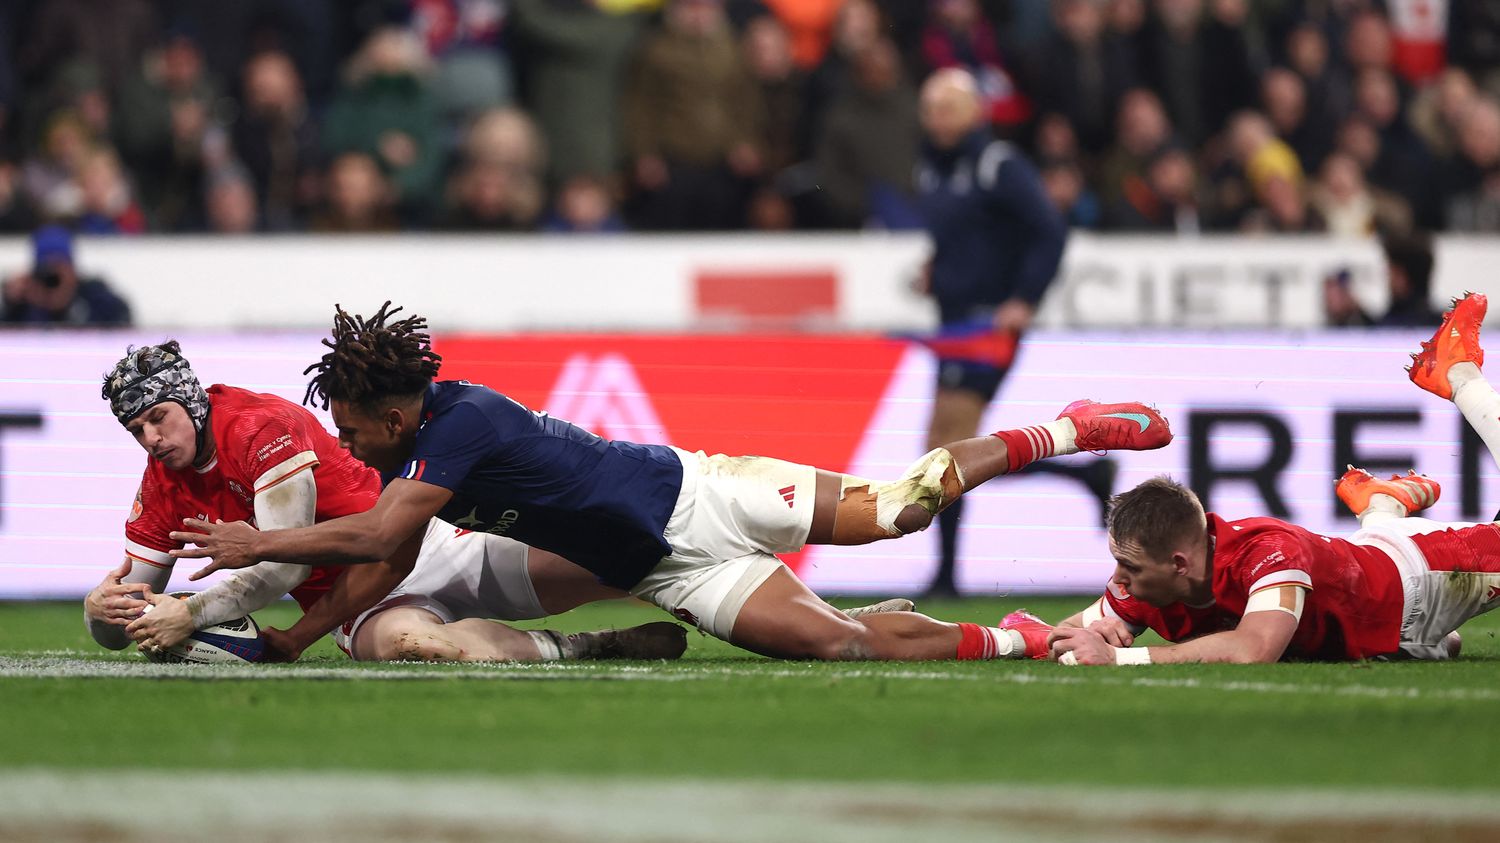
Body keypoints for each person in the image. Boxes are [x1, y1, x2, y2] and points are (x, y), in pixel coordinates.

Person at [169, 302, 1172, 663]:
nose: (352, 443)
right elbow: (386, 550)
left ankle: (1064, 428)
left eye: (355, 429)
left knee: (897, 509)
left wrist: (256, 547)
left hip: (704, 492)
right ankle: (1023, 640)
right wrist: (297, 639)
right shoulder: (430, 434)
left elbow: (373, 534)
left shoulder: (456, 428)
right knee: (834, 643)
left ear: (394, 417)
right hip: (668, 572)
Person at [87, 340, 688, 664]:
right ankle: (596, 646)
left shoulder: (258, 426)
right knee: (413, 649)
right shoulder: (160, 481)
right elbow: (130, 605)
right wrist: (101, 612)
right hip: (351, 605)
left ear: (189, 400)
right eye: (135, 430)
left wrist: (188, 614)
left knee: (625, 563)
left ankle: (719, 567)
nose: (152, 440)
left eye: (158, 419)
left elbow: (282, 565)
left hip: (425, 544)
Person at [1034, 292, 1500, 666]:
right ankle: (1381, 508)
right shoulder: (1147, 574)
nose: (1118, 580)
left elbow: (1254, 650)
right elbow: (1065, 636)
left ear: (1179, 564)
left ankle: (1459, 374)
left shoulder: (1268, 552)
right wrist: (1078, 636)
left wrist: (1120, 657)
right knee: (1447, 645)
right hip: (1380, 620)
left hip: (1417, 580)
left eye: (1129, 569)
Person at [913, 68, 1094, 597]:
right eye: (929, 108)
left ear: (975, 112)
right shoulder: (934, 168)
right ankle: (1083, 479)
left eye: (946, 107)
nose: (935, 119)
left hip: (988, 326)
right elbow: (969, 235)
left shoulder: (999, 165)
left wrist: (1024, 299)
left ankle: (947, 575)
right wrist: (936, 267)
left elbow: (1049, 231)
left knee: (944, 449)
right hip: (954, 324)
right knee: (941, 448)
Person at [0, 225, 130, 326]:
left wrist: (69, 297)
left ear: (72, 270)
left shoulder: (92, 296)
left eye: (60, 265)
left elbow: (122, 319)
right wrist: (12, 303)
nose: (53, 277)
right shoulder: (24, 303)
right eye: (46, 268)